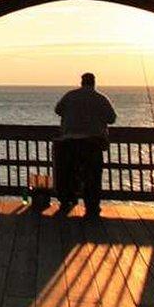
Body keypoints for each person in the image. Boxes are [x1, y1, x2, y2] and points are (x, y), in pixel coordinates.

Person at [53, 72, 116, 218]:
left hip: (70, 142)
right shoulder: (101, 99)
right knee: (92, 176)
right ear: (94, 83)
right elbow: (111, 118)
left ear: (81, 82)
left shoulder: (70, 96)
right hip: (92, 144)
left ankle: (66, 202)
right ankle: (92, 207)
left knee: (68, 173)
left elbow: (58, 110)